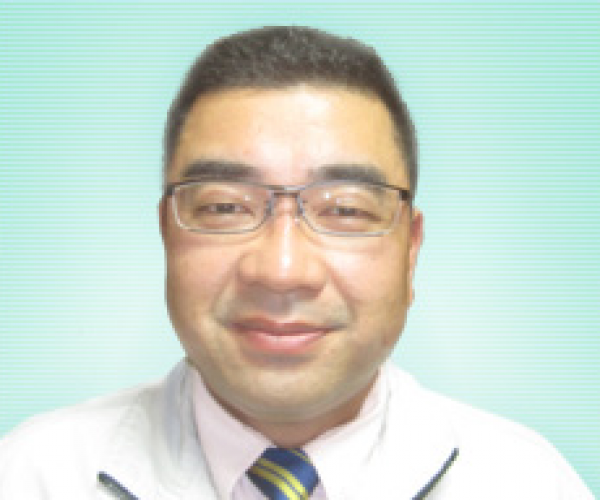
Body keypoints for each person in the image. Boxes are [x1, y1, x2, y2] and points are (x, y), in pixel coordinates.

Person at [0, 26, 593, 500]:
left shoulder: (527, 483)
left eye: (345, 210)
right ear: (167, 233)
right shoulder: (29, 476)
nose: (282, 270)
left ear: (410, 251)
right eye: (226, 207)